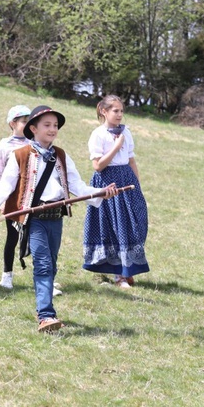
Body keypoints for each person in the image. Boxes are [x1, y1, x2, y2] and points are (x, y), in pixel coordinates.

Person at [0, 105, 119, 332]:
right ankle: (46, 315)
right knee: (43, 264)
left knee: (52, 265)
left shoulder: (62, 156)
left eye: (55, 125)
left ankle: (43, 309)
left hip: (56, 218)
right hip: (33, 218)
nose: (52, 129)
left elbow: (77, 186)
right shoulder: (20, 155)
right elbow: (6, 183)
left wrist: (101, 192)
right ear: (33, 129)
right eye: (47, 125)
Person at [83, 95, 149, 288]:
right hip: (108, 182)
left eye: (121, 111)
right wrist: (115, 147)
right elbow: (98, 165)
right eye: (115, 111)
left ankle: (128, 268)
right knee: (115, 226)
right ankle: (119, 274)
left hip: (127, 180)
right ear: (104, 111)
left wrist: (137, 185)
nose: (120, 115)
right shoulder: (98, 134)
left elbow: (131, 160)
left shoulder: (126, 132)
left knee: (135, 223)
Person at [0, 105, 31, 290]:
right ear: (12, 123)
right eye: (24, 121)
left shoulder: (34, 143)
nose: (28, 124)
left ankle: (44, 277)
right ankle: (7, 274)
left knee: (36, 238)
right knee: (12, 237)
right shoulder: (5, 145)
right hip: (13, 199)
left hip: (33, 198)